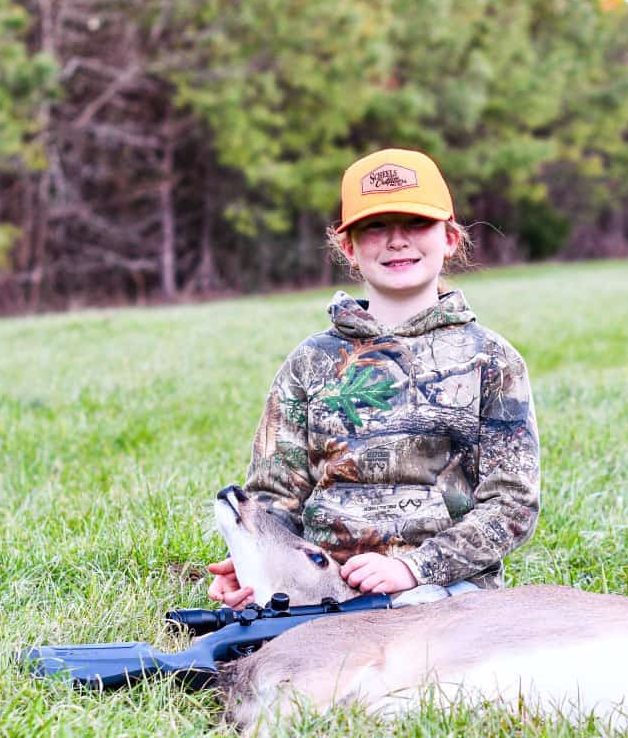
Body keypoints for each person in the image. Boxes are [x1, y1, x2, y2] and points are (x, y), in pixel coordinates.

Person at [208, 148, 540, 607]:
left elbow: (512, 504)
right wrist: (250, 564)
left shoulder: (492, 360)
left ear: (449, 238)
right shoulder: (310, 362)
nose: (397, 241)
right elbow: (274, 496)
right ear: (349, 247)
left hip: (446, 594)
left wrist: (413, 569)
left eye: (416, 224)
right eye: (376, 227)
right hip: (319, 592)